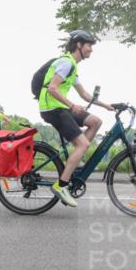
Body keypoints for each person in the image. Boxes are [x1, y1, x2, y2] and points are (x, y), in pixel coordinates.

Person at [38, 30, 115, 207]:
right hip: (52, 108)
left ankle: (74, 161)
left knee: (95, 122)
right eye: (89, 46)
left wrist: (106, 105)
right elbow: (52, 89)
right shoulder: (66, 63)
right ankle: (61, 185)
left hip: (61, 107)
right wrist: (72, 105)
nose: (91, 50)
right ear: (79, 45)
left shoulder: (72, 65)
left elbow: (84, 94)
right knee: (83, 144)